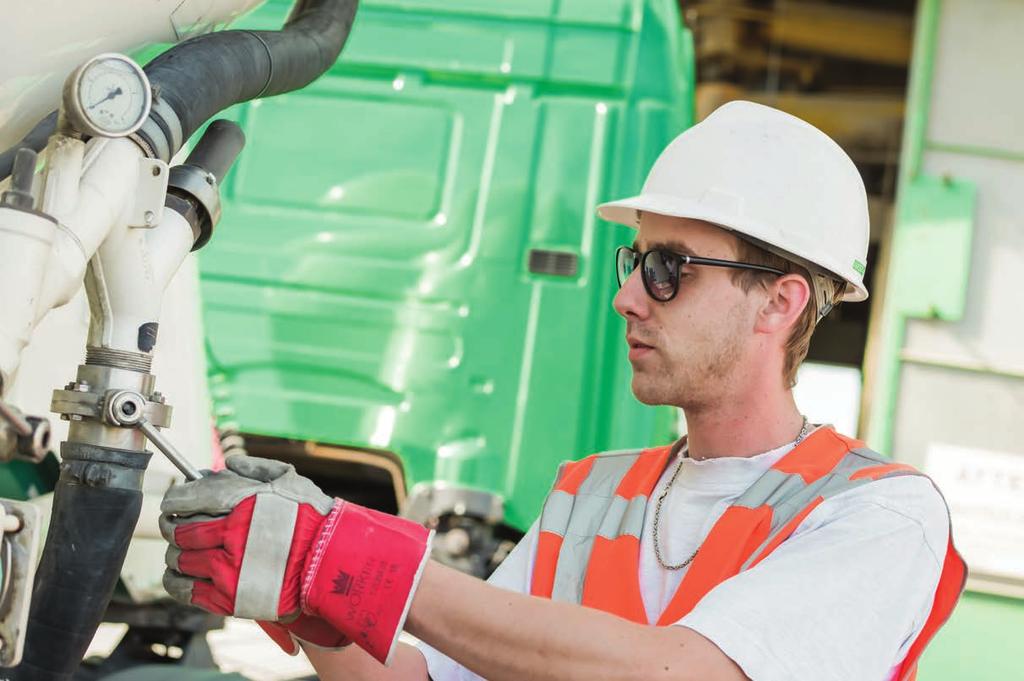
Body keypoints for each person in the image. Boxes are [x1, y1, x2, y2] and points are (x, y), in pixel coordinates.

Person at [159, 101, 966, 681]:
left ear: (781, 301)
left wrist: (356, 554)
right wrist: (310, 596)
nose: (627, 295)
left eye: (668, 268)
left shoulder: (881, 515)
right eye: (635, 260)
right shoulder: (593, 494)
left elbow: (677, 670)